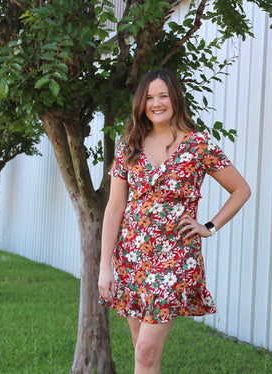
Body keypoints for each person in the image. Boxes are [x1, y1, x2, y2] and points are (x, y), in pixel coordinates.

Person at [98, 68, 251, 374]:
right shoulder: (129, 145)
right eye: (149, 97)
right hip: (131, 259)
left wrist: (208, 227)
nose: (156, 103)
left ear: (175, 99)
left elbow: (241, 190)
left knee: (144, 354)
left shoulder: (198, 145)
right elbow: (114, 208)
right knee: (143, 352)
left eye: (163, 96)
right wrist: (105, 267)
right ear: (142, 103)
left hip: (173, 259)